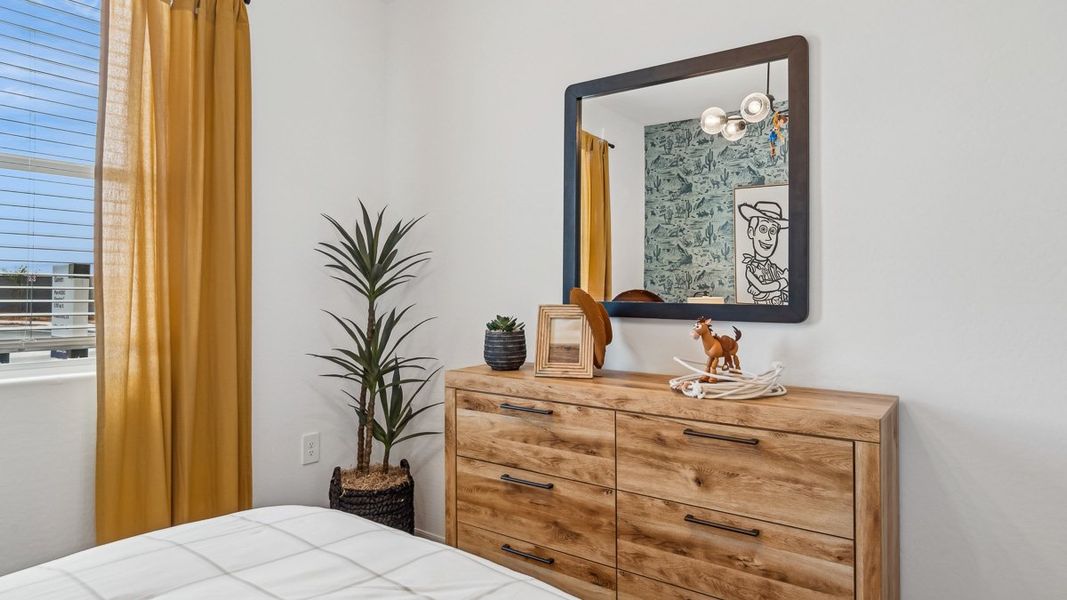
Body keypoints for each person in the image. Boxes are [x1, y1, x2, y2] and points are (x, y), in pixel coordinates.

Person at [738, 201, 788, 305]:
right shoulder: (751, 269)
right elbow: (762, 288)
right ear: (751, 232)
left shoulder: (774, 268)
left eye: (773, 231)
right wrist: (783, 282)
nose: (769, 237)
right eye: (763, 229)